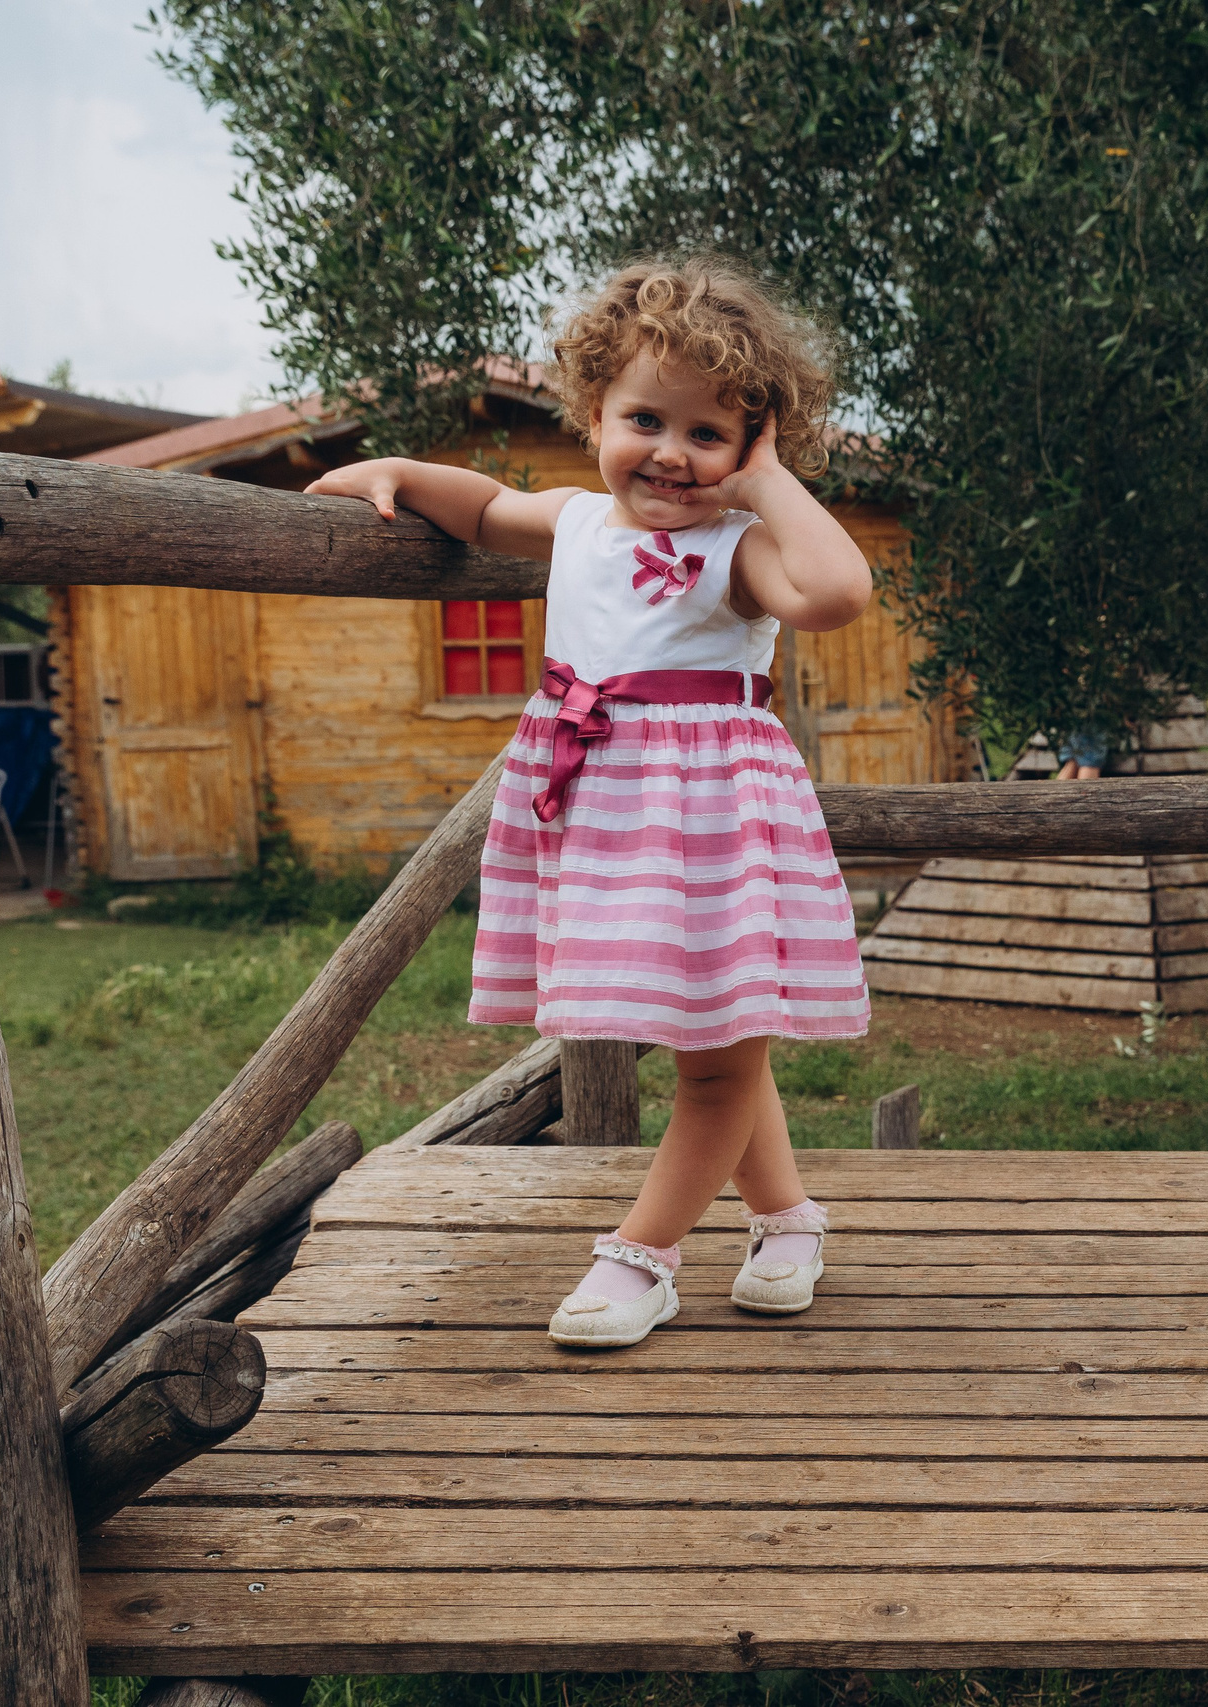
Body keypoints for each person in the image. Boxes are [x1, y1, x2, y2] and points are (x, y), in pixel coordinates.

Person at [309, 255, 872, 1350]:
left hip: (705, 824)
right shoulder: (575, 522)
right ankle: (787, 1220)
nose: (670, 453)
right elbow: (480, 506)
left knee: (713, 1055)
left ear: (754, 445)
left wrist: (765, 486)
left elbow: (840, 594)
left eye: (711, 436)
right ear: (591, 410)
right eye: (644, 419)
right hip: (606, 816)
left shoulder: (738, 549)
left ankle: (645, 1254)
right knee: (716, 1033)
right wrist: (394, 470)